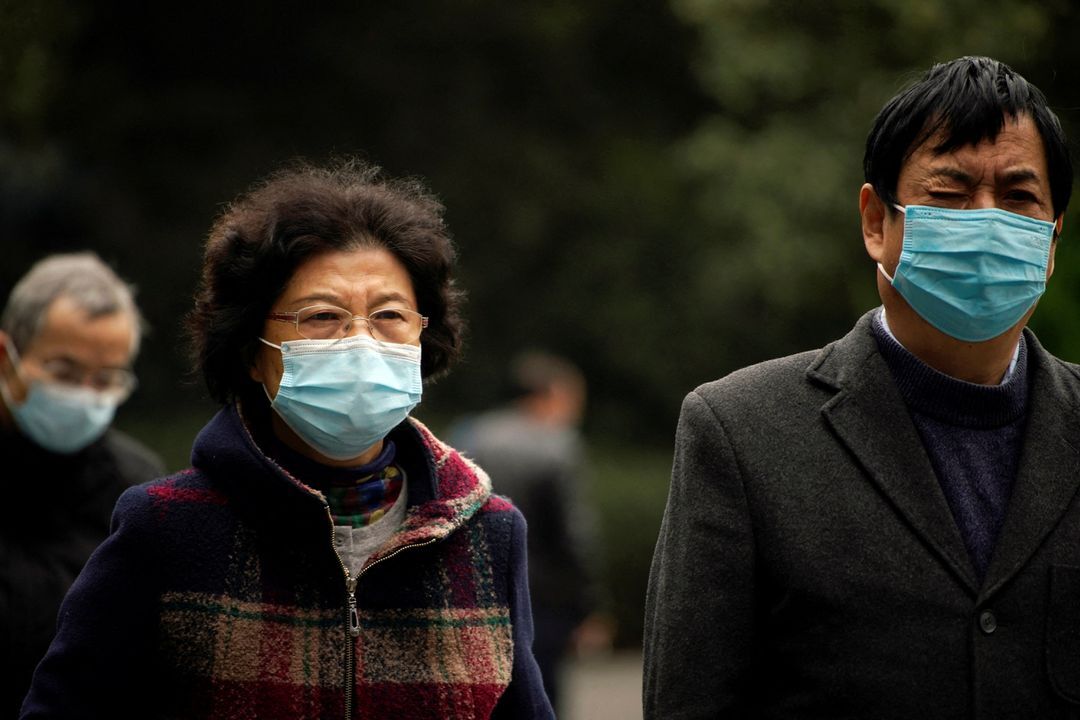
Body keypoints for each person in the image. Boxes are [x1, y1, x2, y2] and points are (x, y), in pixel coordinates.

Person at [20, 161, 554, 719]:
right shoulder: (167, 527)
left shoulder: (488, 533)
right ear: (254, 353)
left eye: (389, 314)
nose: (360, 342)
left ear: (425, 336)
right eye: (322, 316)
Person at [644, 56, 1080, 719]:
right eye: (950, 192)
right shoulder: (740, 432)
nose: (987, 222)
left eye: (1018, 197)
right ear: (877, 221)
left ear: (1050, 243)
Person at [0, 252, 164, 717]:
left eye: (105, 379)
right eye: (64, 373)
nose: (84, 395)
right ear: (6, 357)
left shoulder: (137, 491)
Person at [449, 351, 612, 713]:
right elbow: (575, 536)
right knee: (540, 694)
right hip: (543, 600)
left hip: (476, 589)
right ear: (552, 394)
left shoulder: (472, 435)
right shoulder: (558, 445)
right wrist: (589, 605)